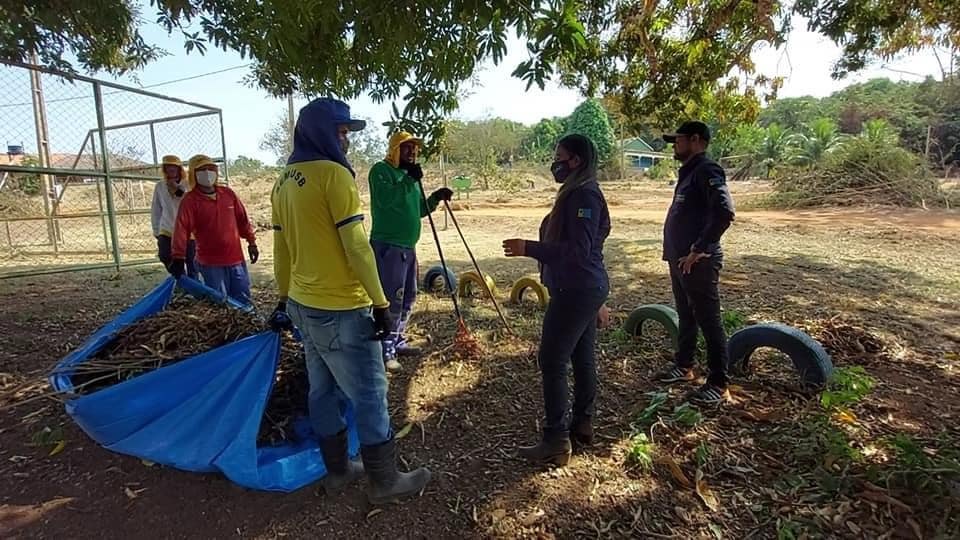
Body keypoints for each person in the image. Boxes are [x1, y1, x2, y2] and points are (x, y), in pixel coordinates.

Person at [267, 98, 431, 503]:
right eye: (341, 132)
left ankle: (338, 471)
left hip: (304, 306)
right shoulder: (334, 177)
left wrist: (284, 298)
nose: (346, 142)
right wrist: (379, 303)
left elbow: (281, 247)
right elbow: (357, 247)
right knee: (371, 392)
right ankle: (385, 481)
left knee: (321, 390)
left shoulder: (283, 180)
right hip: (343, 306)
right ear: (320, 131)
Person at [502, 134, 611, 466]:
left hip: (576, 290)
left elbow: (578, 252)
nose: (555, 162)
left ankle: (556, 440)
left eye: (559, 156)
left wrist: (529, 248)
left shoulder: (585, 196)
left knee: (551, 361)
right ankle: (582, 424)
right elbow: (589, 250)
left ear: (575, 160)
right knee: (582, 356)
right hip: (582, 289)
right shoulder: (577, 193)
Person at [654, 121, 736, 406]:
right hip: (679, 260)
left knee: (708, 319)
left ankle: (718, 383)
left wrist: (700, 248)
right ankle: (685, 365)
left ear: (696, 139)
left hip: (697, 261)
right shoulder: (689, 172)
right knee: (686, 314)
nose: (674, 144)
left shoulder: (708, 171)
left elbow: (724, 212)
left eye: (678, 140)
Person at [367, 131, 453, 372]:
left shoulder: (409, 177)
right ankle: (386, 350)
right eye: (407, 149)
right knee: (391, 299)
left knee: (408, 298)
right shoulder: (381, 171)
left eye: (415, 150)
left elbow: (417, 211)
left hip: (408, 247)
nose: (413, 153)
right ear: (395, 150)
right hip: (388, 247)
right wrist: (408, 181)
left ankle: (397, 339)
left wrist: (436, 197)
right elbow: (386, 200)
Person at [169, 155, 258, 305]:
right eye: (202, 170)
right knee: (219, 303)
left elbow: (242, 220)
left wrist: (252, 242)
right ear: (193, 174)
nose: (207, 173)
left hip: (235, 260)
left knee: (243, 300)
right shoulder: (190, 201)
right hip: (211, 264)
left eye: (211, 168)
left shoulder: (228, 194)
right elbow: (181, 230)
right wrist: (178, 257)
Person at [150, 155, 197, 278]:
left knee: (191, 260)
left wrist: (177, 189)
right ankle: (181, 279)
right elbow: (156, 208)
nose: (171, 169)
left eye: (174, 167)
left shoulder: (188, 185)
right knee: (165, 255)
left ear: (179, 169)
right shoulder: (160, 186)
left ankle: (195, 287)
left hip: (187, 230)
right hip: (167, 228)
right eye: (168, 167)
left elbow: (191, 201)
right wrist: (156, 229)